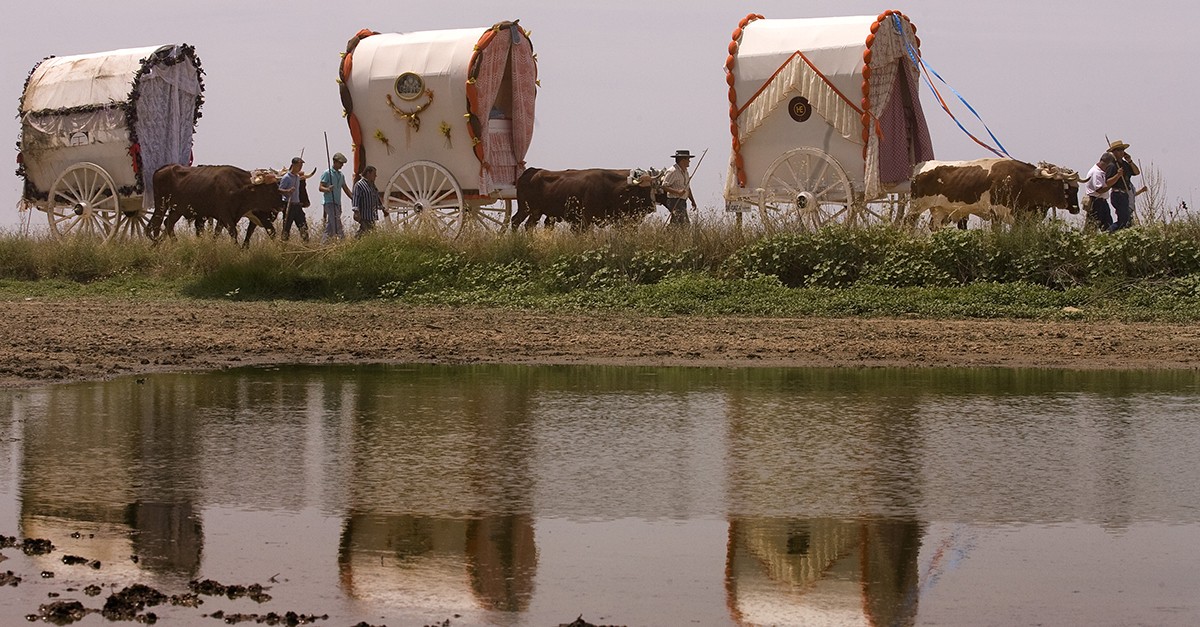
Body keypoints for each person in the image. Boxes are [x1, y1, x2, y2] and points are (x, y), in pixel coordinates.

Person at [1105, 139, 1140, 232]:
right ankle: (1108, 233)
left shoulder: (1124, 165)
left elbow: (1136, 172)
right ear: (1113, 152)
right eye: (1118, 150)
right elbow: (1108, 182)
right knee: (1123, 220)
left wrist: (1130, 161)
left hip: (1125, 194)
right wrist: (1118, 175)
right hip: (1117, 194)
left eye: (1122, 150)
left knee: (1126, 220)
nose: (1121, 152)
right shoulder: (1112, 166)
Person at [319, 152, 353, 243]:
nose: (342, 165)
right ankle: (343, 241)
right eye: (340, 163)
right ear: (335, 162)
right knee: (337, 224)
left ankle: (323, 244)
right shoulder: (327, 173)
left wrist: (353, 198)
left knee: (330, 226)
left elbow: (345, 188)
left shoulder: (341, 175)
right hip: (329, 202)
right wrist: (327, 189)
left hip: (338, 203)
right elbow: (320, 187)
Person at [1083, 152, 1122, 232]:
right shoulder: (1096, 173)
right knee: (1092, 226)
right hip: (1096, 202)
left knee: (1107, 226)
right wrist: (1114, 180)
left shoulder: (1101, 172)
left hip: (1102, 202)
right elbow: (1100, 189)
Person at [661, 149, 697, 226]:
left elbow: (687, 188)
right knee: (684, 223)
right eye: (688, 159)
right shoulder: (672, 171)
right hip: (674, 200)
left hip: (683, 201)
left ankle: (667, 235)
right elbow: (664, 186)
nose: (689, 161)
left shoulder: (686, 172)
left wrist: (692, 201)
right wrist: (677, 192)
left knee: (676, 223)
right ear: (683, 160)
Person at [278, 156, 309, 242]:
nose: (300, 167)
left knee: (303, 225)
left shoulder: (297, 178)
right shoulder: (286, 177)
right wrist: (288, 191)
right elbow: (279, 190)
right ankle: (283, 245)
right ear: (293, 165)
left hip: (297, 205)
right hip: (289, 204)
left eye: (301, 165)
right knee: (286, 227)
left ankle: (306, 244)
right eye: (299, 165)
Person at [351, 165, 384, 237]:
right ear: (368, 173)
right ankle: (353, 243)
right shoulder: (359, 185)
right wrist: (356, 211)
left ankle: (354, 243)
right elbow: (356, 198)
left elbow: (376, 196)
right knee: (365, 231)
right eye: (374, 174)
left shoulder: (372, 185)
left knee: (368, 232)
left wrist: (382, 208)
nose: (375, 176)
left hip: (371, 215)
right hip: (364, 215)